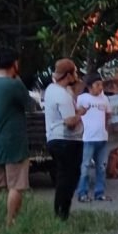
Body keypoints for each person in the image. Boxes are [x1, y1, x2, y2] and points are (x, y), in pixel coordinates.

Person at [0, 47, 34, 227]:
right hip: (14, 142)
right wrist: (18, 79)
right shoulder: (14, 85)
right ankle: (10, 222)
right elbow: (30, 105)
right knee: (16, 185)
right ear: (14, 63)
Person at [44, 58, 85, 220]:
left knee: (63, 176)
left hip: (54, 139)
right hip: (67, 141)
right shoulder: (63, 95)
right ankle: (62, 213)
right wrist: (80, 113)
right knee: (69, 178)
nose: (76, 75)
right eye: (74, 72)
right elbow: (69, 122)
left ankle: (60, 212)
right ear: (68, 75)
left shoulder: (50, 90)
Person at [76, 73, 112, 202]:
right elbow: (76, 113)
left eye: (101, 84)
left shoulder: (104, 99)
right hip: (88, 138)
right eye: (97, 85)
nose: (100, 87)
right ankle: (82, 193)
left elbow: (108, 114)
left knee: (101, 167)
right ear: (90, 87)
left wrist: (106, 129)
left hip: (102, 138)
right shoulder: (82, 98)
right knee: (85, 166)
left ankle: (99, 192)